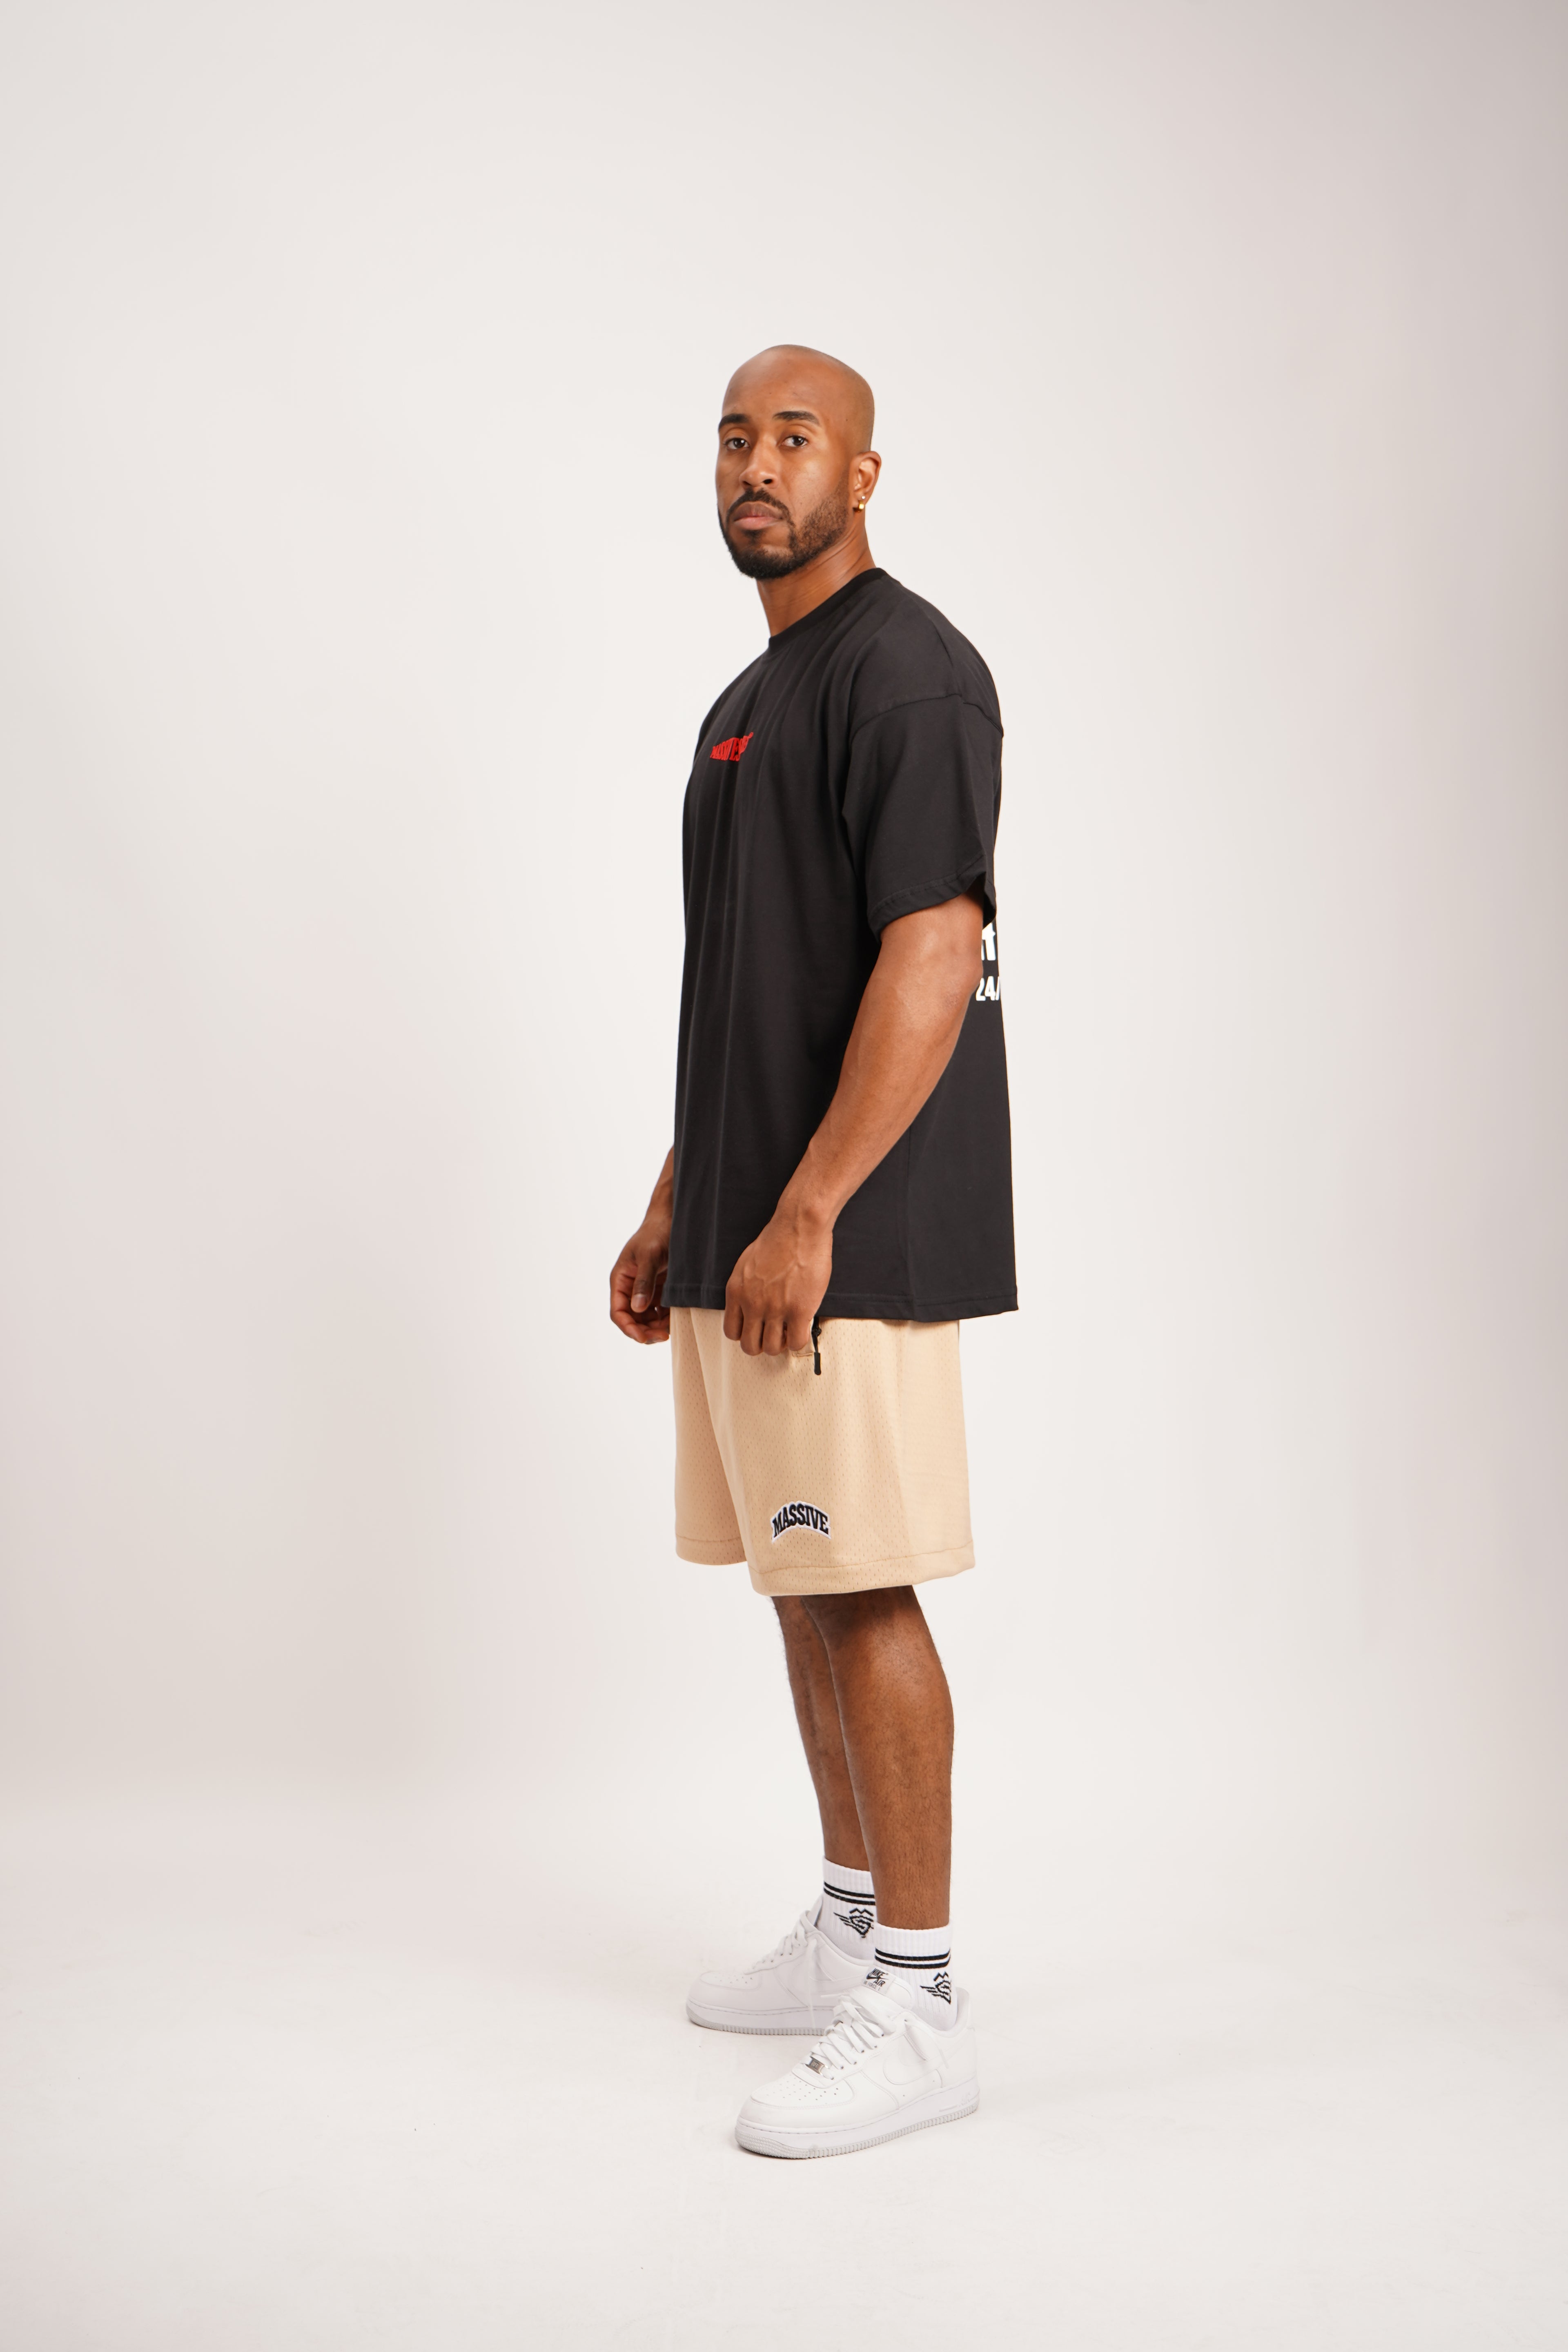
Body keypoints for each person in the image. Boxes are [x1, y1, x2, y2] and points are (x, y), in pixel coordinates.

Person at [608, 345, 1015, 2159]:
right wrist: (681, 1199)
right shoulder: (746, 701)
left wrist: (808, 1209)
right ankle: (852, 1923)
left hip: (845, 1236)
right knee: (800, 1575)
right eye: (734, 438)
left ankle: (920, 2003)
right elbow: (748, 987)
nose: (756, 466)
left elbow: (933, 952)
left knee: (865, 1585)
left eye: (796, 439)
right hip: (752, 1229)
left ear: (863, 475)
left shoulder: (909, 672)